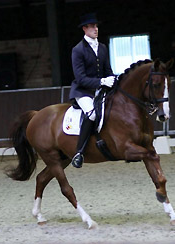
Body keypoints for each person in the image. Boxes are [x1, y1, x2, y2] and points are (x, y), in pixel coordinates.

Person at [69, 13, 115, 168]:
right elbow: (80, 78)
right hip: (83, 91)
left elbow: (108, 70)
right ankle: (79, 152)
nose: (96, 29)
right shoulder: (78, 50)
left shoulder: (102, 47)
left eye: (96, 26)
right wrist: (102, 81)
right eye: (92, 26)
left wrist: (113, 80)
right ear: (85, 29)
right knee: (93, 113)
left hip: (99, 90)